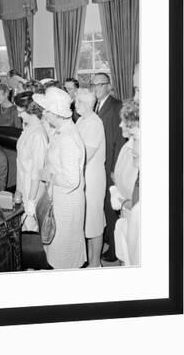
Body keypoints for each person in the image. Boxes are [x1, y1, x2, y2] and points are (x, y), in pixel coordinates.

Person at [33, 87, 86, 269]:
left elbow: (72, 181)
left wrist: (49, 176)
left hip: (66, 206)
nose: (44, 114)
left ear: (55, 112)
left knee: (65, 257)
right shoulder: (61, 131)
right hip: (59, 201)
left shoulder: (69, 138)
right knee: (57, 253)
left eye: (47, 110)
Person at [91, 73, 125, 263]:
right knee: (103, 208)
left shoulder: (116, 105)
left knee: (111, 211)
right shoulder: (96, 106)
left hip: (110, 167)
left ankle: (114, 251)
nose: (96, 88)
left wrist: (115, 170)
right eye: (93, 85)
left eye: (100, 84)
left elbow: (120, 142)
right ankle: (106, 240)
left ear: (109, 86)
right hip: (99, 166)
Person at [75, 88, 106, 267]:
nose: (75, 104)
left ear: (87, 105)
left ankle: (96, 264)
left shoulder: (95, 123)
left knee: (94, 222)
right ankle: (90, 261)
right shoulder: (81, 120)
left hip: (92, 178)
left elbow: (86, 154)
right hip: (84, 175)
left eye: (78, 101)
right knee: (87, 222)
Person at [110, 99, 140, 266]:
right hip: (125, 216)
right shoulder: (127, 146)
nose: (121, 125)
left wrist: (122, 201)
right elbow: (119, 176)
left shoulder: (139, 151)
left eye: (125, 122)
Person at [13, 91, 48, 231]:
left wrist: (32, 201)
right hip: (23, 186)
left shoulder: (38, 134)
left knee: (31, 231)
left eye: (20, 112)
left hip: (32, 189)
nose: (18, 115)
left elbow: (37, 171)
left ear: (30, 111)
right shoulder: (28, 128)